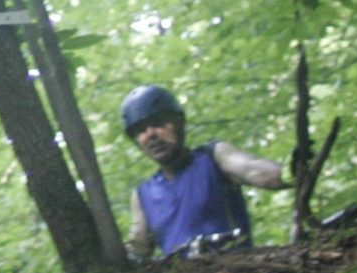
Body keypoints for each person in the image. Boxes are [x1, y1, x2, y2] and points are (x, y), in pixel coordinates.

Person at [121, 83, 288, 258]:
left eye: (157, 123)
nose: (150, 135)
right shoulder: (143, 195)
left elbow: (253, 170)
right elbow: (137, 249)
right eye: (140, 131)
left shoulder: (214, 157)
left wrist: (291, 171)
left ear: (179, 122)